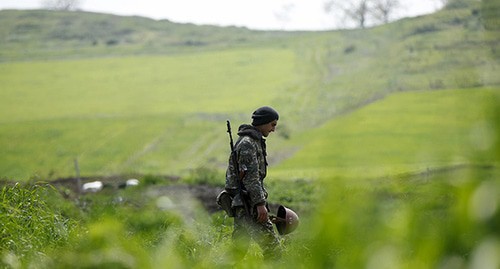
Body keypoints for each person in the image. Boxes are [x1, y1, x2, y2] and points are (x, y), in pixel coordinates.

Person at [225, 106, 282, 260]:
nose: (273, 129)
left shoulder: (253, 141)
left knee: (238, 250)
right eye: (272, 124)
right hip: (248, 204)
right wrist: (259, 204)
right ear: (263, 122)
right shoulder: (248, 143)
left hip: (245, 203)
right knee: (273, 249)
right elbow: (251, 177)